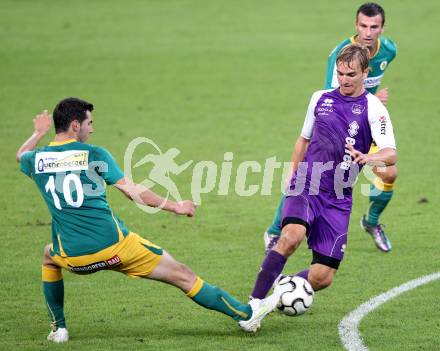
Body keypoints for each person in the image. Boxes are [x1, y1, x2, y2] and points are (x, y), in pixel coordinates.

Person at [16, 98, 280, 343]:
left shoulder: (36, 160)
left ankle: (58, 329)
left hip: (74, 258)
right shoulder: (93, 154)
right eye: (89, 123)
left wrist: (38, 133)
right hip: (115, 249)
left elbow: (20, 155)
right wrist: (176, 206)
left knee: (49, 255)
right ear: (75, 125)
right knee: (184, 276)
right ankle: (246, 315)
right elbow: (132, 191)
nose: (91, 129)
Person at [250, 43, 397, 301]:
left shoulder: (374, 108)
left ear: (365, 72)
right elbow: (303, 140)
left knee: (322, 277)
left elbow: (391, 154)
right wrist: (291, 173)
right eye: (340, 73)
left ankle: (283, 290)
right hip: (308, 182)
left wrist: (368, 157)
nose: (344, 79)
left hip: (339, 198)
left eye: (351, 74)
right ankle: (252, 305)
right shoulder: (320, 98)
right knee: (291, 237)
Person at [265, 2, 397, 253]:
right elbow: (333, 94)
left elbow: (366, 80)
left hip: (364, 125)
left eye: (374, 27)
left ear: (382, 28)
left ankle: (371, 222)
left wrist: (372, 98)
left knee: (389, 173)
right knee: (308, 175)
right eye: (363, 26)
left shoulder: (388, 50)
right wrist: (373, 97)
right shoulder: (342, 53)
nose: (368, 33)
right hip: (335, 125)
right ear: (355, 25)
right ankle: (273, 231)